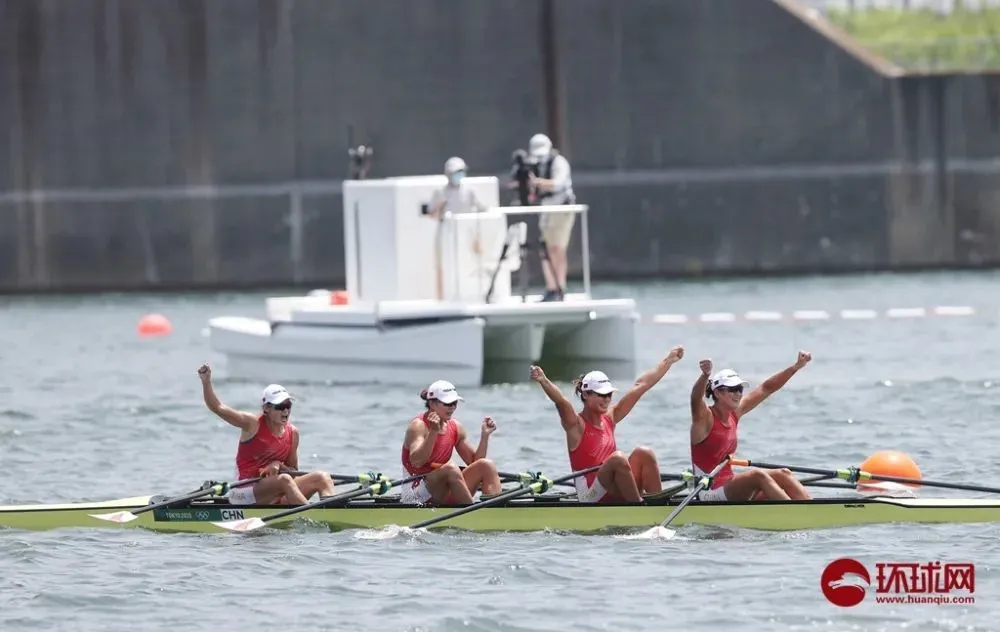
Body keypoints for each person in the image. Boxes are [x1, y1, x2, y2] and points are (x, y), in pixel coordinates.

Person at [529, 346, 685, 503]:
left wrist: (668, 361)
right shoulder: (576, 425)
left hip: (614, 487)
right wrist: (544, 380)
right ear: (585, 394)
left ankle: (659, 506)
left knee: (644, 453)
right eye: (601, 395)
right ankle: (638, 509)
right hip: (590, 496)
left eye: (609, 394)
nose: (607, 399)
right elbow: (561, 401)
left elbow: (641, 385)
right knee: (618, 458)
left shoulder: (610, 418)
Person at [197, 363, 336, 505]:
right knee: (285, 480)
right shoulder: (252, 424)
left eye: (288, 406)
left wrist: (279, 466)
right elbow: (218, 407)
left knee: (322, 477)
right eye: (280, 407)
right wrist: (206, 381)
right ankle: (314, 519)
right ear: (267, 408)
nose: (286, 411)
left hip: (276, 490)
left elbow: (293, 471)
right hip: (243, 492)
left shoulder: (292, 433)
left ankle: (333, 514)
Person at [689, 353, 814, 502]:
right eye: (732, 389)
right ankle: (797, 513)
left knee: (783, 473)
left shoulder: (734, 414)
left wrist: (796, 367)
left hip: (729, 485)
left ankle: (812, 508)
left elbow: (766, 388)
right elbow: (695, 399)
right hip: (708, 492)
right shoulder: (704, 418)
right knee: (757, 476)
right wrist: (705, 375)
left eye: (740, 389)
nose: (738, 394)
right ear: (717, 392)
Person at [400, 379, 503, 505]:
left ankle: (494, 512)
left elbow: (474, 463)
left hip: (445, 490)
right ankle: (474, 514)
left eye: (454, 403)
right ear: (432, 404)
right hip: (415, 494)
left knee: (486, 465)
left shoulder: (455, 427)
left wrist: (485, 436)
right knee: (451, 469)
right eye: (448, 403)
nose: (452, 407)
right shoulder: (418, 426)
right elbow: (417, 462)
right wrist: (433, 432)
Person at [527, 133, 575, 302]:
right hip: (546, 209)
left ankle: (560, 288)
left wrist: (539, 182)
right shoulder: (534, 165)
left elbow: (558, 183)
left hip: (561, 208)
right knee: (545, 250)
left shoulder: (559, 163)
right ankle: (551, 287)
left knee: (557, 248)